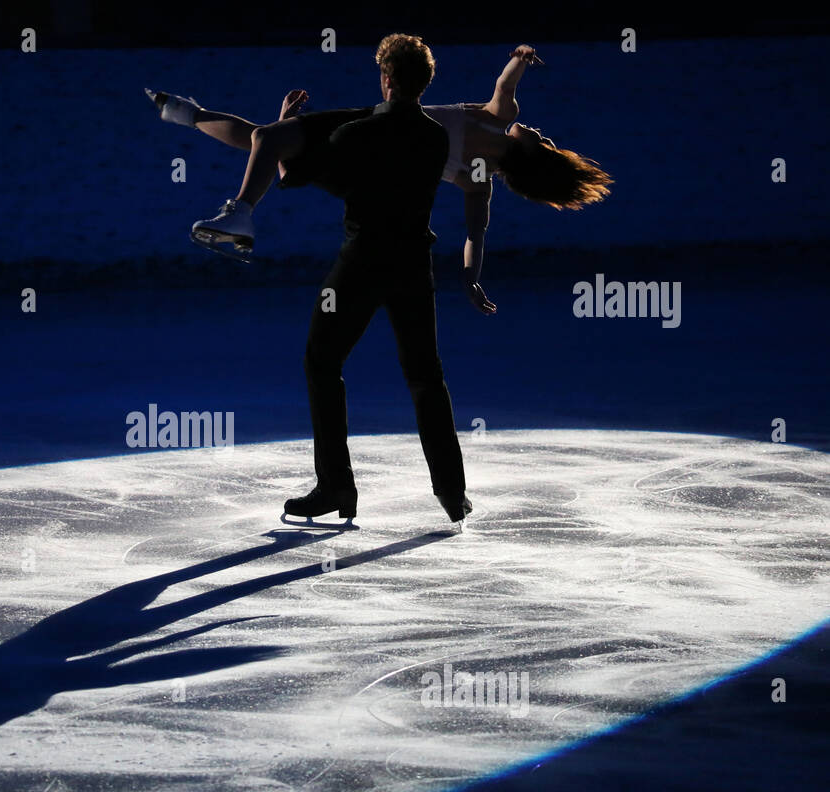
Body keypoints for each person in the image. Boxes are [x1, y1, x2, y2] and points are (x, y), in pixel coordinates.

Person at [151, 33, 472, 526]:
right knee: (425, 375)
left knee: (322, 363)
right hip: (412, 264)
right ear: (425, 81)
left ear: (384, 78)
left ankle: (336, 486)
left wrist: (284, 127)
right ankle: (452, 493)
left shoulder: (356, 135)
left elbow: (287, 168)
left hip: (361, 263)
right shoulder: (435, 138)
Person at [149, 44, 612, 312]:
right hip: (370, 146)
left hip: (369, 144)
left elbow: (475, 233)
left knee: (271, 138)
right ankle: (188, 116)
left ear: (533, 156)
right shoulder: (493, 128)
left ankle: (240, 211)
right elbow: (507, 84)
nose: (542, 134)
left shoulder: (482, 168)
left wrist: (471, 279)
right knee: (267, 139)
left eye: (545, 142)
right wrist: (521, 56)